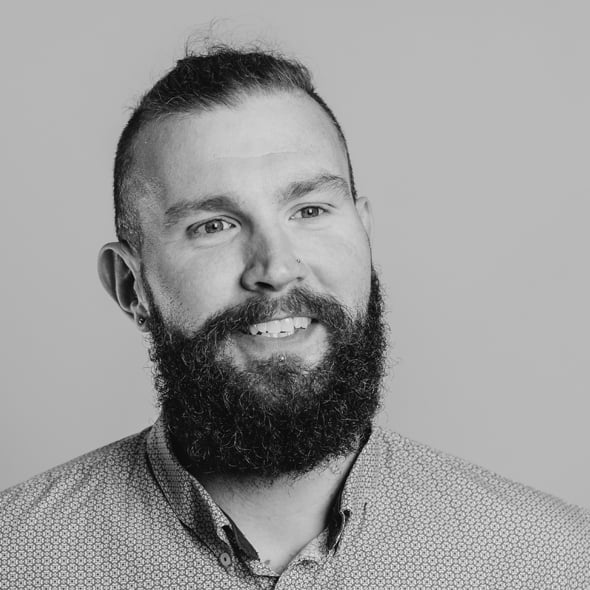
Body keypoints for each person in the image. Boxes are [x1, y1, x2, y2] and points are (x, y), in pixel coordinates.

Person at [1, 44, 588, 590]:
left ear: (364, 233)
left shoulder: (553, 561)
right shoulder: (17, 557)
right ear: (132, 285)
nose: (277, 268)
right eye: (213, 226)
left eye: (310, 209)